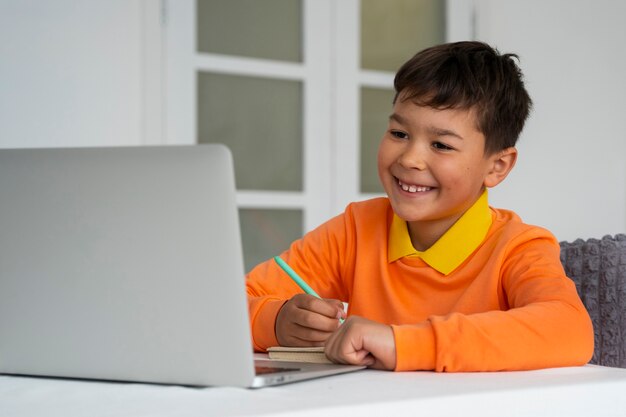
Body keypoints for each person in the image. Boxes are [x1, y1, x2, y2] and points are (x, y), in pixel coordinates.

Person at [245, 41, 594, 372]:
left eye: (441, 145)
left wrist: (402, 344)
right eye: (399, 134)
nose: (410, 159)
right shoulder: (355, 228)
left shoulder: (518, 247)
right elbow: (227, 306)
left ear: (496, 166)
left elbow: (570, 328)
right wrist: (274, 322)